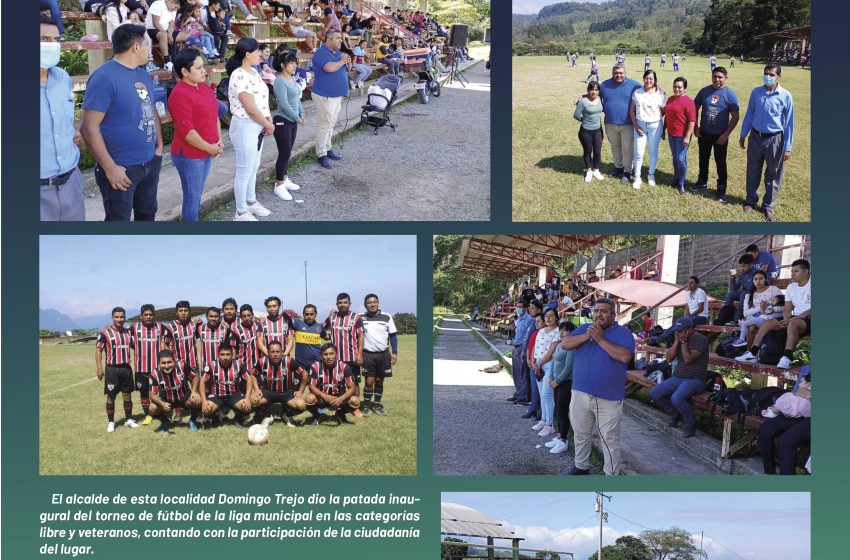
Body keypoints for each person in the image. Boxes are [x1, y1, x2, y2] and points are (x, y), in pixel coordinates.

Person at [81, 24, 163, 221]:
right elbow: (88, 127)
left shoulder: (142, 74)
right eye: (146, 45)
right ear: (136, 47)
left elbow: (150, 108)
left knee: (147, 214)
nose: (149, 50)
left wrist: (158, 146)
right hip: (121, 168)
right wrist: (110, 168)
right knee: (118, 221)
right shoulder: (104, 77)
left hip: (150, 162)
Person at [561, 298, 635, 475]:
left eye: (604, 311)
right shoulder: (584, 329)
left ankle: (611, 475)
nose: (599, 314)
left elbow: (625, 357)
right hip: (580, 392)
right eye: (596, 311)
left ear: (613, 314)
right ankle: (581, 466)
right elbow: (565, 344)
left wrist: (600, 339)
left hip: (609, 397)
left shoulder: (623, 333)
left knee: (609, 439)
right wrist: (588, 335)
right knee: (580, 433)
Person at [168, 49, 223, 221]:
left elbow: (215, 114)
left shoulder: (204, 87)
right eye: (198, 68)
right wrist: (210, 148)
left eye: (203, 67)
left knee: (197, 195)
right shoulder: (180, 94)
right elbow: (187, 132)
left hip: (207, 150)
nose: (203, 71)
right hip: (190, 155)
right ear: (185, 72)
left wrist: (219, 140)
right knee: (192, 198)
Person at [40, 16, 86, 221]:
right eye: (43, 39)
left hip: (70, 184)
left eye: (56, 39)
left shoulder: (62, 78)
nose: (51, 45)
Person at [226, 37, 275, 221]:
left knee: (253, 167)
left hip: (258, 124)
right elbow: (250, 107)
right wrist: (268, 124)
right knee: (244, 170)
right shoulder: (238, 74)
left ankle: (251, 202)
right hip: (245, 124)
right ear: (247, 54)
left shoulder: (254, 72)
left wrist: (268, 118)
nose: (260, 54)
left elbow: (262, 100)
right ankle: (240, 212)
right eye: (257, 51)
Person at [739, 64, 795, 222]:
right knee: (753, 170)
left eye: (771, 74)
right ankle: (750, 200)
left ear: (779, 76)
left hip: (775, 140)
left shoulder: (785, 96)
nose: (767, 76)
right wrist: (743, 134)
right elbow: (750, 113)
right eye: (765, 73)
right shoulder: (756, 92)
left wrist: (788, 147)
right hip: (756, 137)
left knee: (773, 173)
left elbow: (789, 124)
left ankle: (768, 205)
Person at [737, 259, 811, 369]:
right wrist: (786, 318)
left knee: (793, 324)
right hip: (794, 317)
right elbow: (787, 308)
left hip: (808, 318)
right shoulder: (791, 287)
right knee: (767, 323)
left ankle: (787, 358)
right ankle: (753, 353)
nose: (792, 274)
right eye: (791, 271)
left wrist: (794, 319)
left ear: (806, 272)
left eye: (796, 271)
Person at [648, 317, 710, 437]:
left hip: (695, 379)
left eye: (681, 330)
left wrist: (683, 342)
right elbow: (669, 358)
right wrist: (677, 342)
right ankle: (674, 414)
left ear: (690, 329)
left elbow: (688, 359)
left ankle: (690, 424)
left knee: (676, 398)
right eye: (677, 331)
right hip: (678, 377)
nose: (679, 333)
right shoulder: (679, 340)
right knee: (654, 393)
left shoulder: (700, 340)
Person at [692, 67, 739, 202]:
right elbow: (694, 109)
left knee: (720, 162)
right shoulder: (704, 91)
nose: (717, 79)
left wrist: (726, 135)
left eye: (720, 77)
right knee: (703, 158)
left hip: (720, 136)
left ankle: (721, 188)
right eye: (715, 76)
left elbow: (735, 117)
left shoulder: (729, 94)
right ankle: (702, 181)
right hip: (704, 133)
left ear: (725, 78)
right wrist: (695, 127)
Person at [757, 371, 811, 474]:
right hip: (793, 412)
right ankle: (769, 472)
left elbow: (803, 394)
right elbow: (797, 391)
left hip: (806, 417)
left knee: (786, 440)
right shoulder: (807, 368)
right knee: (765, 429)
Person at [128, 304, 173, 425]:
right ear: (141, 316)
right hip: (140, 368)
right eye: (146, 315)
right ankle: (147, 415)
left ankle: (162, 413)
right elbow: (123, 335)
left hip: (156, 369)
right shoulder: (134, 327)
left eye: (150, 315)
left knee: (160, 392)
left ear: (154, 316)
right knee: (143, 393)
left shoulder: (160, 327)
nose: (148, 317)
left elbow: (171, 332)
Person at [95, 307, 138, 432]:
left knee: (127, 395)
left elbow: (135, 346)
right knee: (111, 396)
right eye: (117, 317)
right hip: (112, 369)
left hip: (126, 368)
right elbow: (99, 350)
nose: (119, 319)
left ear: (125, 318)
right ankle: (111, 422)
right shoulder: (105, 332)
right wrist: (99, 368)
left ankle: (128, 419)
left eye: (121, 317)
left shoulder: (128, 332)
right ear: (112, 317)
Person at [311, 30, 350, 169]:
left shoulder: (337, 53)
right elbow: (329, 68)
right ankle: (321, 154)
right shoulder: (321, 53)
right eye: (338, 38)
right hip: (325, 95)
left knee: (331, 124)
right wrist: (342, 61)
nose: (341, 40)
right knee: (324, 125)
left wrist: (346, 62)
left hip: (335, 95)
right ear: (328, 40)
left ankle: (327, 148)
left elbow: (342, 68)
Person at [251, 340, 312, 425]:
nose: (275, 354)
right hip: (268, 391)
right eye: (272, 352)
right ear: (268, 352)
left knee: (301, 405)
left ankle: (287, 414)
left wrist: (301, 391)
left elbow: (305, 374)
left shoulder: (289, 361)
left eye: (278, 351)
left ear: (282, 352)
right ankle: (266, 414)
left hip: (287, 392)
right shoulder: (262, 361)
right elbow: (253, 375)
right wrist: (257, 390)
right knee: (253, 401)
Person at [270, 51, 306, 200]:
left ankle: (284, 178)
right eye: (291, 63)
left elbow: (297, 99)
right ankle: (279, 185)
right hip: (282, 120)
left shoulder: (291, 79)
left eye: (295, 63)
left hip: (292, 120)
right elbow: (284, 104)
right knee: (284, 153)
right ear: (283, 65)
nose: (294, 65)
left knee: (288, 152)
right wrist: (296, 117)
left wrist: (302, 113)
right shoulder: (279, 80)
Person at [323, 293, 365, 416]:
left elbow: (361, 336)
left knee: (355, 383)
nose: (342, 305)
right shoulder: (332, 318)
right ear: (337, 304)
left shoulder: (356, 317)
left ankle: (355, 406)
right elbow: (321, 330)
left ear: (349, 303)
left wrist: (360, 354)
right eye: (340, 303)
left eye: (345, 302)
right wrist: (328, 316)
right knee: (339, 383)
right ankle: (340, 405)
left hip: (352, 357)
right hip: (336, 359)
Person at [598, 65, 641, 183]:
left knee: (627, 147)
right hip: (610, 122)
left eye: (621, 73)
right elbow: (594, 94)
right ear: (612, 73)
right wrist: (582, 96)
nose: (618, 75)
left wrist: (658, 87)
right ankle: (618, 166)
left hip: (627, 123)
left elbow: (647, 90)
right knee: (615, 146)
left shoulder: (635, 85)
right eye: (616, 73)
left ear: (625, 73)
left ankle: (627, 171)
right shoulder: (604, 85)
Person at [361, 293, 398, 416]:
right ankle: (366, 406)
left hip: (383, 355)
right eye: (369, 303)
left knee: (379, 381)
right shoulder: (360, 318)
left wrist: (395, 352)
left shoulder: (386, 317)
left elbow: (393, 335)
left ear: (378, 303)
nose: (372, 304)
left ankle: (377, 405)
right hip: (367, 354)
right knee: (369, 382)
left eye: (374, 302)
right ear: (365, 305)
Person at [147, 350, 203, 432]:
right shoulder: (154, 374)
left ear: (174, 361)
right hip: (166, 400)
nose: (166, 366)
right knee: (152, 408)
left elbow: (195, 376)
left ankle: (193, 420)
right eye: (163, 363)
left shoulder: (182, 366)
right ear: (158, 363)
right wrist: (162, 404)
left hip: (184, 396)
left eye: (169, 362)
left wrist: (194, 391)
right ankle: (165, 422)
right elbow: (152, 394)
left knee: (196, 400)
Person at [199, 344, 255, 426]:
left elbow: (249, 378)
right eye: (222, 354)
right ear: (218, 355)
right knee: (206, 410)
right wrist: (204, 401)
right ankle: (215, 417)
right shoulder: (211, 365)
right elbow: (202, 382)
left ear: (232, 355)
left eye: (228, 354)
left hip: (234, 395)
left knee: (246, 407)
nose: (225, 357)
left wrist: (247, 398)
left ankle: (238, 418)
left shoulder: (238, 365)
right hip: (216, 395)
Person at [647, 276, 709, 347]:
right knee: (678, 322)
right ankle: (664, 340)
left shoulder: (700, 292)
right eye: (688, 283)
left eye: (692, 283)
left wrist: (688, 317)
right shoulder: (688, 294)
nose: (689, 284)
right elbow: (687, 307)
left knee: (681, 322)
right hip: (691, 317)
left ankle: (661, 339)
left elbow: (701, 308)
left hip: (701, 317)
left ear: (696, 284)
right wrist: (685, 317)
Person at [630, 69, 666, 189]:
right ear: (643, 78)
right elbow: (632, 111)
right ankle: (637, 177)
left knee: (653, 151)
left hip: (655, 126)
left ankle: (651, 175)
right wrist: (636, 126)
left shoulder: (660, 94)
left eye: (651, 78)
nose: (648, 80)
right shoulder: (637, 92)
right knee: (639, 152)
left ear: (655, 80)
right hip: (639, 125)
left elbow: (664, 110)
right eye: (646, 78)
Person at [308, 343, 361, 423]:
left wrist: (341, 398)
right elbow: (311, 386)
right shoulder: (315, 366)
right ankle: (316, 414)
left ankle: (340, 413)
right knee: (309, 399)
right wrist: (324, 396)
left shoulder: (345, 367)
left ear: (336, 354)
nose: (329, 357)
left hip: (339, 397)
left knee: (355, 400)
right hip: (322, 397)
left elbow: (352, 388)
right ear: (321, 356)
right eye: (325, 354)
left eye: (331, 354)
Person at [545, 321, 576, 455]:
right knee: (557, 410)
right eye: (561, 330)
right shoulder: (559, 345)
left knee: (563, 411)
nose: (562, 333)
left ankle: (563, 440)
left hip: (565, 382)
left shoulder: (571, 347)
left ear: (571, 332)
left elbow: (568, 368)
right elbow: (553, 363)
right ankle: (558, 436)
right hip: (556, 382)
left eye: (565, 330)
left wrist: (557, 381)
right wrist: (551, 378)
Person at [731, 270, 783, 348]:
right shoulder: (749, 295)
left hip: (771, 317)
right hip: (757, 316)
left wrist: (772, 310)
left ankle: (751, 351)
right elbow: (745, 313)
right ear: (752, 281)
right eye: (755, 279)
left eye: (761, 278)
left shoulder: (773, 289)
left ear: (765, 279)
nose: (758, 281)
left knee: (751, 325)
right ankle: (749, 351)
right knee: (751, 325)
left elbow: (783, 306)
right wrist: (760, 308)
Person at [530, 308, 560, 439]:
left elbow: (551, 351)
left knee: (547, 395)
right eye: (546, 316)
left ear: (556, 318)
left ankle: (549, 424)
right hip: (538, 364)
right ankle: (543, 420)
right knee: (542, 394)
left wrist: (540, 364)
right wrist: (534, 362)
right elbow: (535, 348)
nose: (548, 318)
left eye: (551, 316)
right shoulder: (541, 331)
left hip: (548, 365)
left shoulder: (557, 332)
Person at [663, 76, 696, 193]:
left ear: (684, 88)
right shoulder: (671, 99)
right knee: (675, 158)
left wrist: (687, 136)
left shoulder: (689, 102)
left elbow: (692, 121)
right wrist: (663, 130)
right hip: (671, 135)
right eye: (675, 86)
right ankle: (676, 178)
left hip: (682, 136)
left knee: (680, 159)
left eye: (679, 87)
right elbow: (667, 115)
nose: (676, 89)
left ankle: (682, 182)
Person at [574, 81, 605, 184]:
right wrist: (584, 120)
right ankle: (589, 171)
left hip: (598, 131)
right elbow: (576, 115)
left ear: (598, 91)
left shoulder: (600, 99)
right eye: (591, 89)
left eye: (596, 89)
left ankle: (596, 170)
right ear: (588, 90)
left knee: (597, 152)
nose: (594, 92)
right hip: (586, 132)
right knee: (587, 152)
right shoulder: (583, 101)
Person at [509, 299, 534, 407]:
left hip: (521, 348)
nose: (518, 308)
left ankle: (523, 396)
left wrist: (524, 351)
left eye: (520, 306)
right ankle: (517, 392)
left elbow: (526, 337)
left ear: (525, 308)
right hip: (515, 346)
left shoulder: (529, 320)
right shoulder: (518, 319)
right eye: (517, 306)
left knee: (523, 373)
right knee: (516, 372)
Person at [145, 0, 181, 71]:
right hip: (152, 29)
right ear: (171, 1)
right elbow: (155, 23)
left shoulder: (174, 9)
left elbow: (171, 24)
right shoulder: (158, 4)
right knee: (164, 35)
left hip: (166, 30)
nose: (175, 9)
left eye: (177, 8)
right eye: (175, 6)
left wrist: (170, 34)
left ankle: (185, 59)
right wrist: (167, 34)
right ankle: (167, 62)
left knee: (187, 36)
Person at [723, 254, 756, 323]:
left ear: (751, 265)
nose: (741, 268)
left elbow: (751, 287)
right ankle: (727, 318)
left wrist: (740, 277)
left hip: (755, 294)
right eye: (740, 266)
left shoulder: (756, 272)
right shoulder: (743, 273)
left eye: (744, 266)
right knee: (730, 295)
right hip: (744, 294)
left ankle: (735, 320)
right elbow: (733, 289)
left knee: (744, 294)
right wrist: (732, 279)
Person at [292, 304, 326, 372]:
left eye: (311, 314)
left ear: (315, 314)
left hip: (316, 363)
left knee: (314, 383)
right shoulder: (297, 322)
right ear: (303, 314)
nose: (309, 316)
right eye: (306, 314)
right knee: (301, 382)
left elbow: (325, 336)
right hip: (300, 363)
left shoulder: (319, 326)